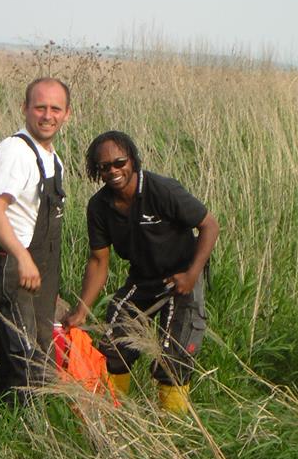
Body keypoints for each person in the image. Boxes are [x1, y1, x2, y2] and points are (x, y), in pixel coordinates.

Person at [64, 131, 219, 414]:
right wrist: (82, 309)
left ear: (133, 160)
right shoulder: (99, 207)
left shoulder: (162, 190)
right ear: (96, 172)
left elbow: (209, 225)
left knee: (174, 359)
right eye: (104, 167)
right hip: (143, 279)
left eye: (119, 162)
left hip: (182, 277)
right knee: (113, 347)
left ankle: (172, 433)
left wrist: (192, 274)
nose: (113, 171)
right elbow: (99, 261)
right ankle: (109, 418)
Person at [0, 77, 71, 405]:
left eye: (55, 108)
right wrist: (22, 258)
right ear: (25, 108)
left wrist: (46, 275)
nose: (47, 115)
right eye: (40, 107)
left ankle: (4, 416)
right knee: (26, 353)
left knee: (40, 345)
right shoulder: (14, 152)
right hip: (16, 265)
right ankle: (24, 432)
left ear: (67, 114)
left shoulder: (52, 158)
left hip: (41, 268)